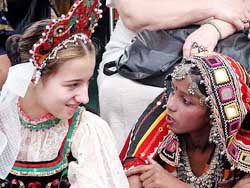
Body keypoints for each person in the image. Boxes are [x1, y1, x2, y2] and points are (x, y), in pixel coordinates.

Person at [0, 0, 129, 187]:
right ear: (34, 77)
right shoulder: (4, 120)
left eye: (87, 82)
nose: (85, 97)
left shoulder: (87, 130)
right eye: (73, 84)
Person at [97, 0, 250, 151]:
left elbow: (244, 10)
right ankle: (130, 168)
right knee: (123, 93)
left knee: (224, 96)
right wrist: (216, 7)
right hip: (138, 50)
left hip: (228, 40)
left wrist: (214, 29)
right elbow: (134, 14)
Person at [120, 51, 250, 188]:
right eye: (173, 91)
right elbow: (133, 172)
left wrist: (176, 185)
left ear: (215, 114)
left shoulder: (243, 146)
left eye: (186, 101)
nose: (170, 105)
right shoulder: (162, 123)